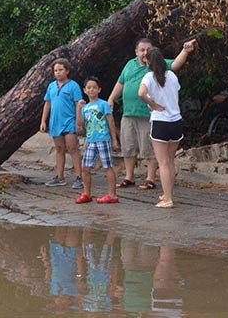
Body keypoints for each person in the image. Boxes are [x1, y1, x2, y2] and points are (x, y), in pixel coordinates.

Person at [108, 37, 196, 191]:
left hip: (148, 115)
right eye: (141, 50)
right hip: (129, 113)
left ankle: (150, 178)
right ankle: (129, 177)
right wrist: (111, 98)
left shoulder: (157, 65)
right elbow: (120, 82)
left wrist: (185, 51)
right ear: (136, 52)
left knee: (150, 148)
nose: (144, 53)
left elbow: (175, 64)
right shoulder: (129, 65)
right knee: (128, 146)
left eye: (148, 50)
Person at [138, 48, 183, 208]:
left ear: (148, 61)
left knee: (162, 162)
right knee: (170, 161)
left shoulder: (149, 77)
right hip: (176, 120)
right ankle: (167, 193)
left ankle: (168, 199)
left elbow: (141, 93)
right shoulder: (172, 76)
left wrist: (153, 105)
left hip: (160, 121)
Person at [75, 76, 120, 204]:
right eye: (89, 88)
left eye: (94, 87)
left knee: (108, 166)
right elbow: (79, 125)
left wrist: (114, 139)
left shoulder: (103, 104)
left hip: (103, 139)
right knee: (85, 167)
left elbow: (110, 121)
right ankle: (86, 193)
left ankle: (112, 194)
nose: (91, 90)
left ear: (99, 89)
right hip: (90, 140)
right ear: (85, 90)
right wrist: (78, 109)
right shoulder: (85, 107)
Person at [40, 58, 84, 189]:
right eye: (55, 70)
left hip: (69, 121)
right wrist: (43, 120)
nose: (58, 73)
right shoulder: (51, 86)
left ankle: (79, 177)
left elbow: (78, 104)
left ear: (67, 71)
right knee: (59, 149)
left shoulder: (73, 86)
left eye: (60, 70)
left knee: (72, 148)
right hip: (55, 122)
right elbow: (47, 103)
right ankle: (59, 177)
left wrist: (79, 122)